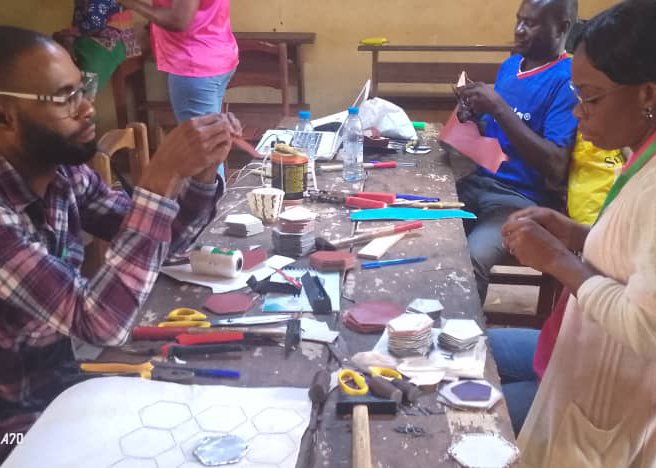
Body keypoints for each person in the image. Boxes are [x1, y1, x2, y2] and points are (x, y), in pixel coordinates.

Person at [0, 26, 239, 460]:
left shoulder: (63, 174)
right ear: (5, 116)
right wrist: (160, 180)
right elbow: (100, 322)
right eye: (65, 97)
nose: (88, 107)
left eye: (83, 88)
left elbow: (164, 242)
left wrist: (203, 172)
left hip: (62, 393)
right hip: (13, 429)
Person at [501, 0, 656, 463]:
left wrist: (557, 260)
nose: (577, 111)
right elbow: (637, 255)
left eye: (590, 97)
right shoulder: (641, 151)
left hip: (607, 395)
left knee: (450, 404)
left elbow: (646, 327)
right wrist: (576, 235)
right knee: (460, 349)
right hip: (573, 344)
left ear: (647, 94)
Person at [456, 0, 579, 303]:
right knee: (427, 230)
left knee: (472, 260)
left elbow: (556, 164)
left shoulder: (568, 80)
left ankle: (461, 331)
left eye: (531, 23)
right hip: (480, 182)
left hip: (520, 201)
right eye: (519, 20)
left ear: (562, 27)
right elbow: (499, 130)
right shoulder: (511, 66)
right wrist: (475, 114)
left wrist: (499, 107)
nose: (519, 30)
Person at [118, 0, 238, 127]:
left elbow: (178, 20)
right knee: (214, 131)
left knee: (202, 137)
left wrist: (132, 4)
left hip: (195, 66)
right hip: (215, 55)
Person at [54, 0, 142, 90]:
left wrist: (71, 32)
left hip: (108, 40)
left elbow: (95, 23)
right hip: (97, 37)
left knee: (86, 84)